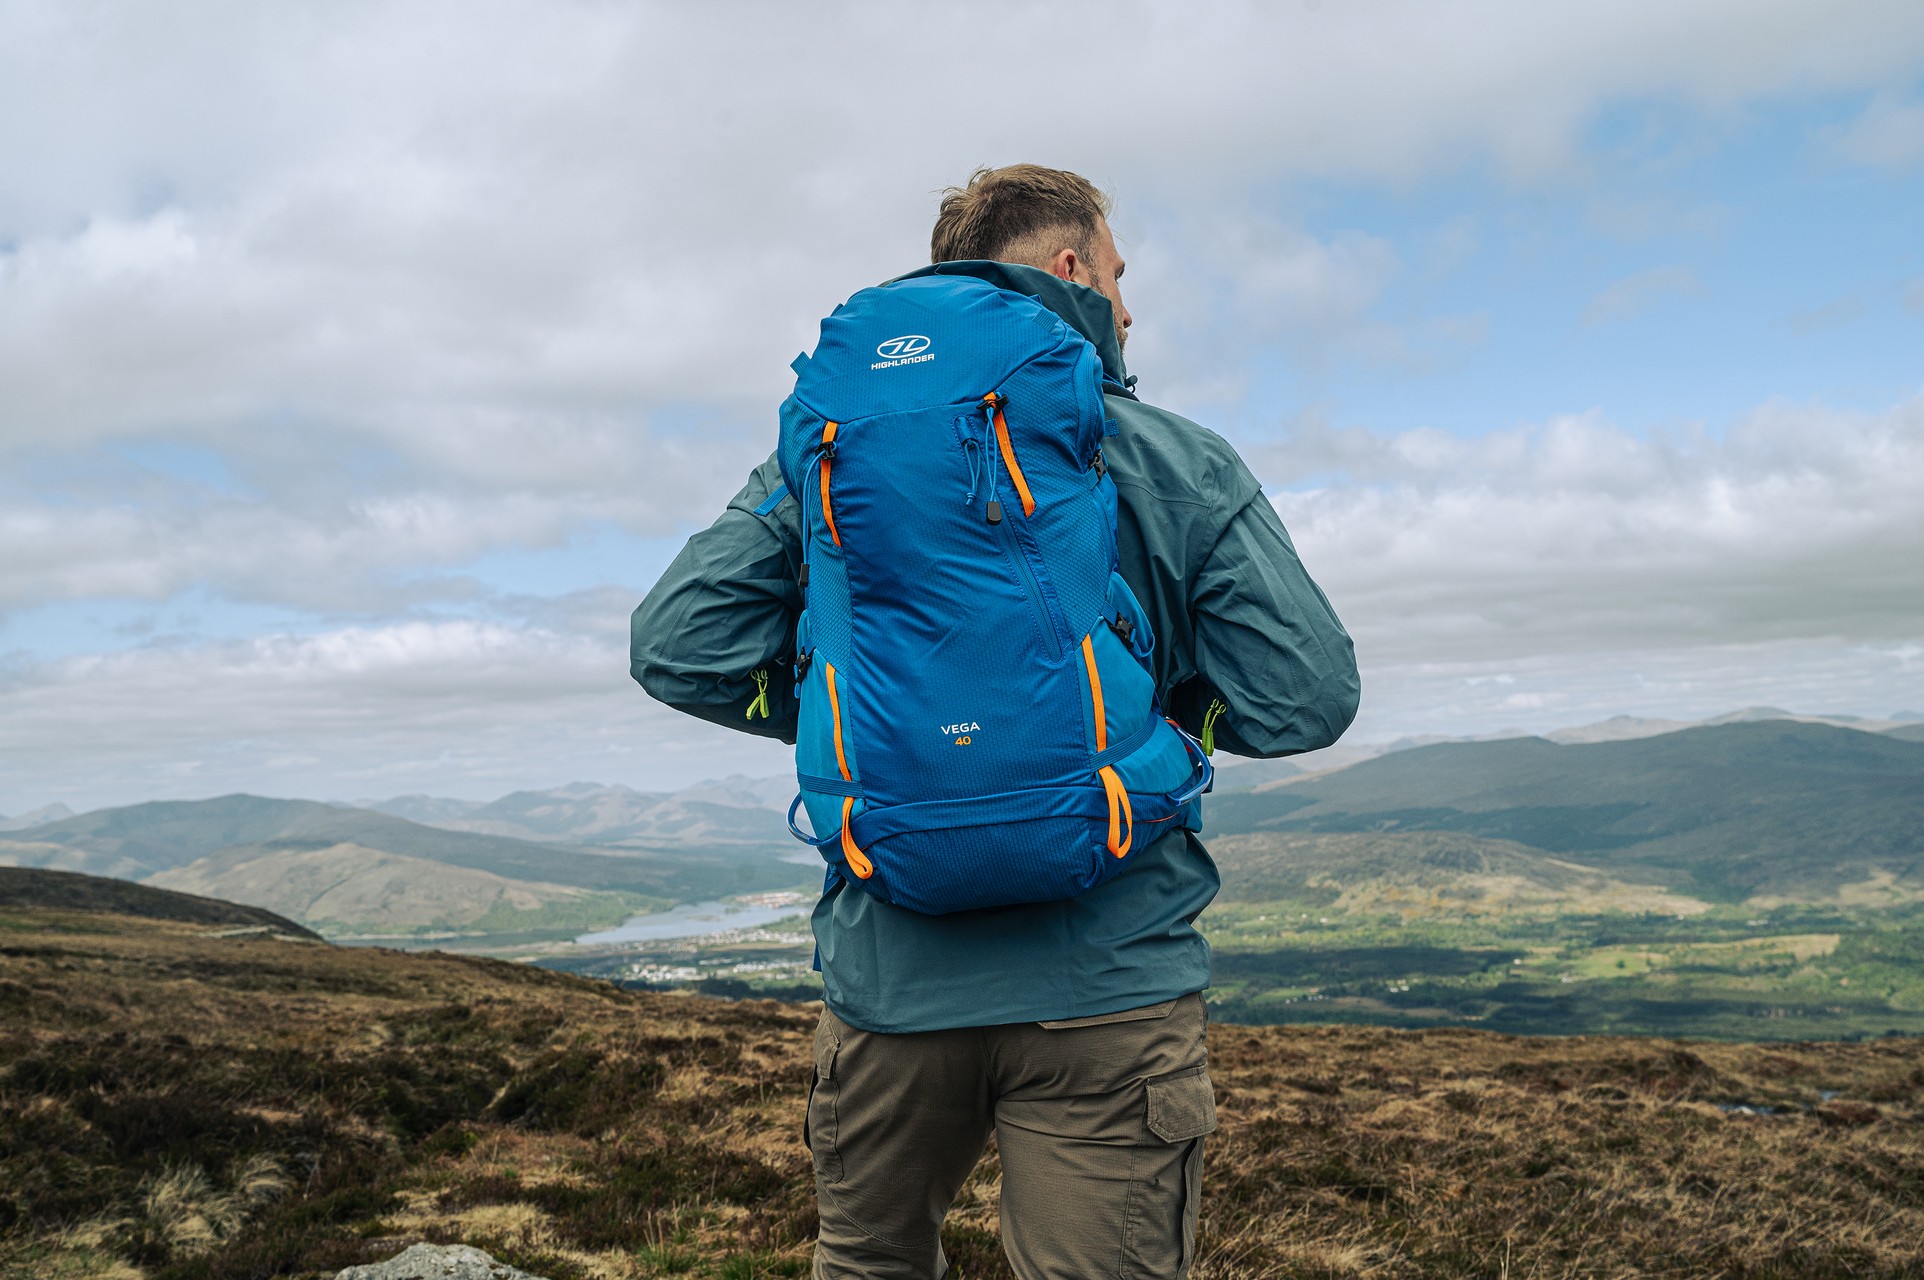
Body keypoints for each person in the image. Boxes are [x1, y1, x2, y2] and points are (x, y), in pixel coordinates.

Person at [631, 164, 1359, 1280]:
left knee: (871, 1259)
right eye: (1120, 276)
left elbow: (677, 646)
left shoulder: (826, 457)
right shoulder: (1171, 458)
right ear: (1069, 268)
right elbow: (1305, 694)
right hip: (1106, 989)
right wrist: (1151, 727)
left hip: (894, 981)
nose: (1129, 307)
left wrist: (861, 722)